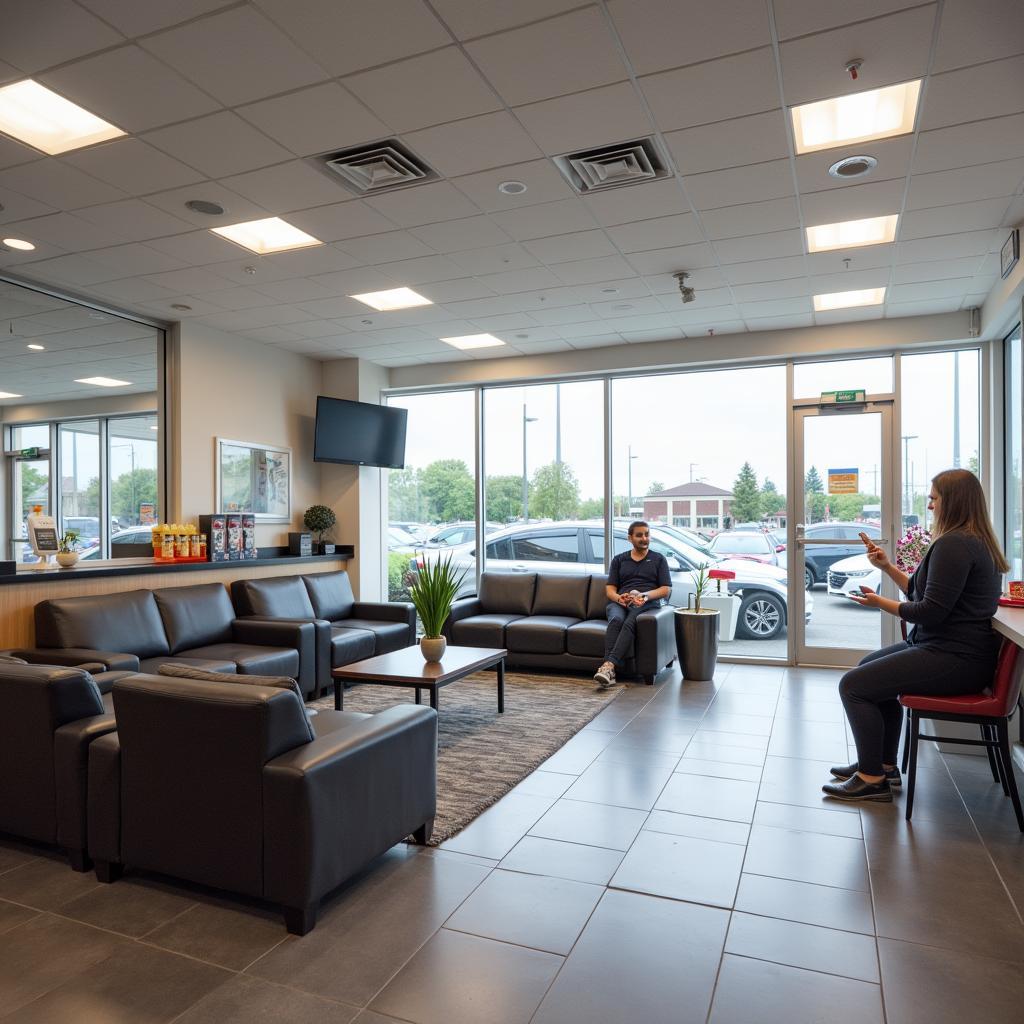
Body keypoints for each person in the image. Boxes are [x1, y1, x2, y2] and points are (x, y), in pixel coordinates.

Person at [822, 469, 1008, 803]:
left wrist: (880, 602)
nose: (930, 505)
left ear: (952, 502)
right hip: (955, 652)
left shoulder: (954, 544)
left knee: (853, 686)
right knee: (867, 669)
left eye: (934, 499)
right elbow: (926, 595)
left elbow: (929, 612)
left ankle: (871, 779)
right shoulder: (971, 541)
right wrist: (887, 567)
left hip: (954, 658)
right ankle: (882, 764)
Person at [594, 521, 671, 688]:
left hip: (646, 602)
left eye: (647, 534)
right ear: (630, 538)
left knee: (630, 622)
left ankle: (608, 666)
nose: (644, 538)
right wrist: (619, 598)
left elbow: (666, 590)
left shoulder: (658, 559)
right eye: (639, 535)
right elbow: (610, 589)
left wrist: (644, 595)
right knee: (616, 620)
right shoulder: (619, 560)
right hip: (622, 601)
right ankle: (609, 670)